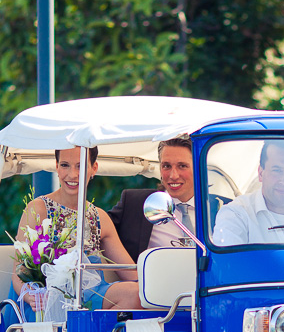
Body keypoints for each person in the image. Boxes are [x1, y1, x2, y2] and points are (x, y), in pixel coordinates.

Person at [11, 146, 141, 315]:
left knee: (136, 294)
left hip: (92, 295)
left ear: (94, 168)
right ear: (56, 166)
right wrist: (30, 295)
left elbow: (132, 274)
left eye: (80, 166)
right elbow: (17, 272)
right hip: (49, 300)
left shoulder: (99, 217)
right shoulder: (38, 209)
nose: (72, 174)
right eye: (65, 165)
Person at [108, 135, 195, 261]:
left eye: (182, 166)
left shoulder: (220, 208)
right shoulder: (134, 203)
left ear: (198, 167)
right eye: (166, 166)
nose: (173, 175)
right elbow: (98, 230)